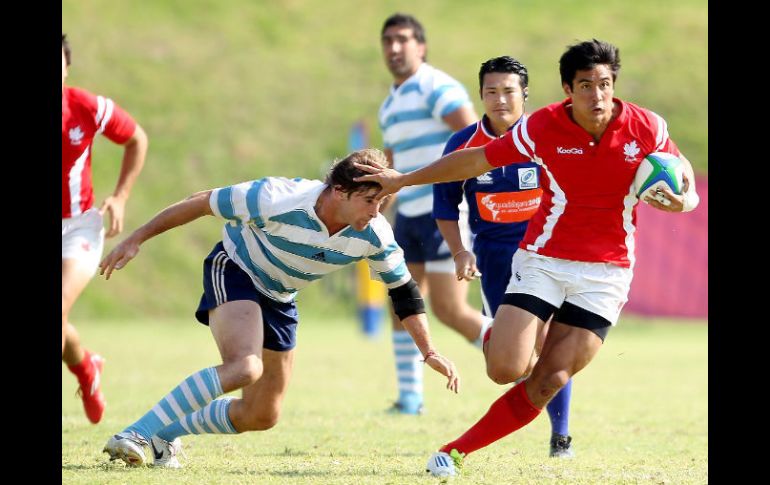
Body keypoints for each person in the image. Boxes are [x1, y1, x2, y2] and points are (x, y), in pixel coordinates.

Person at [355, 39, 700, 477]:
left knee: (551, 379)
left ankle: (453, 452)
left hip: (606, 275)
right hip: (543, 262)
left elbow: (679, 167)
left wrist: (684, 200)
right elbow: (474, 160)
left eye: (606, 84)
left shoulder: (646, 126)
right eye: (586, 85)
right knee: (504, 368)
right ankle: (509, 351)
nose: (598, 96)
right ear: (566, 89)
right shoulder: (541, 128)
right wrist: (403, 179)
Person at [98, 148, 460, 468]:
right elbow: (202, 201)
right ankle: (136, 434)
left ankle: (164, 434)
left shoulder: (374, 234)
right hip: (237, 268)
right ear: (339, 191)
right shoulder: (276, 196)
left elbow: (404, 292)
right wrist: (136, 239)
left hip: (282, 295)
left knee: (262, 414)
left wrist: (428, 350)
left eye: (382, 202)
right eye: (369, 200)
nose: (376, 211)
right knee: (245, 367)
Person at [433, 55, 576, 458]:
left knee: (553, 345)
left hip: (548, 254)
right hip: (496, 260)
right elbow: (444, 207)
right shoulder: (462, 144)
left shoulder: (549, 136)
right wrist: (460, 252)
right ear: (480, 95)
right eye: (491, 92)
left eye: (508, 91)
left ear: (524, 94)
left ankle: (561, 436)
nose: (500, 100)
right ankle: (496, 341)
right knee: (509, 366)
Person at [378, 13, 491, 415]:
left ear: (420, 46)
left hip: (443, 212)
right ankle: (410, 398)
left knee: (449, 310)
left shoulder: (435, 86)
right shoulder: (390, 104)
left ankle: (521, 357)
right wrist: (373, 214)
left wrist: (468, 195)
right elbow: (392, 168)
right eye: (388, 40)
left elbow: (475, 138)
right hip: (408, 216)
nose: (394, 48)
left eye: (403, 39)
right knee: (402, 303)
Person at [62, 34, 149, 424]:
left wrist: (121, 196)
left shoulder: (87, 107)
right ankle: (86, 368)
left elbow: (136, 139)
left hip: (79, 227)